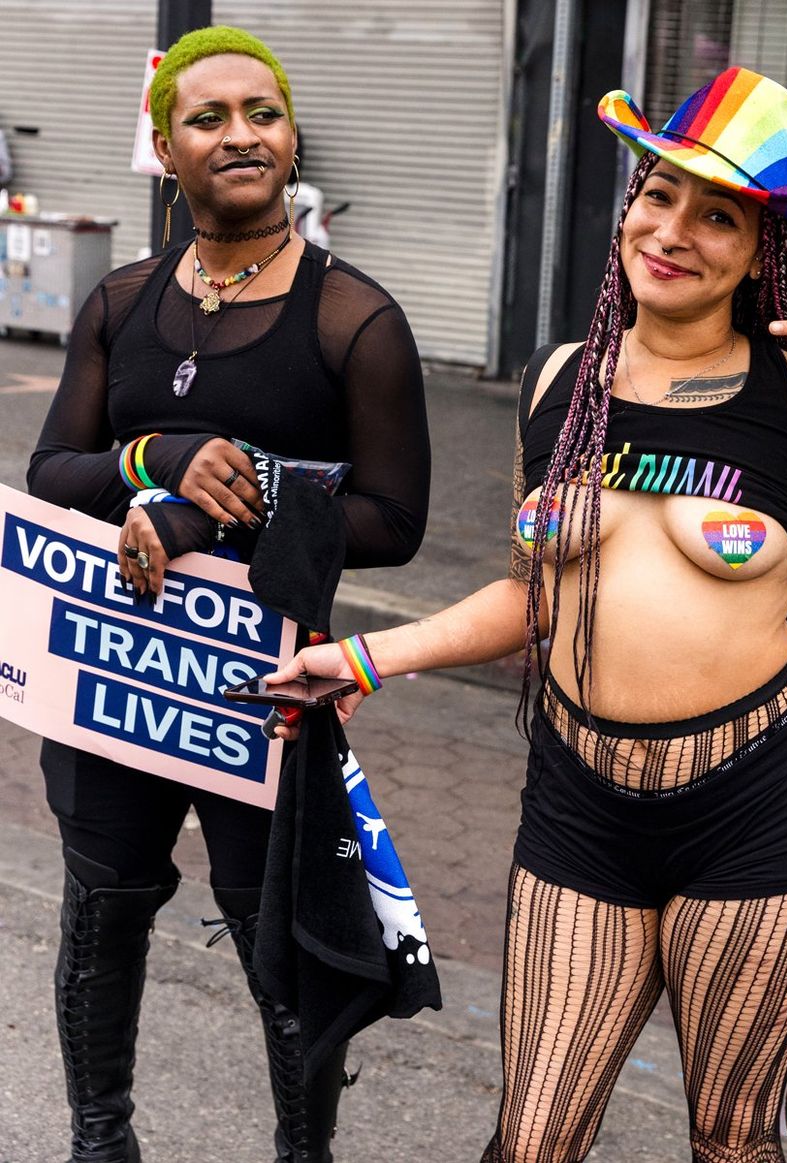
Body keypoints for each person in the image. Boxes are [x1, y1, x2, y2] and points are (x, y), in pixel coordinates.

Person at [265, 68, 787, 1162]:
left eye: (718, 215)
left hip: (758, 808)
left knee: (729, 1137)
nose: (673, 231)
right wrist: (365, 656)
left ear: (761, 249)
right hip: (581, 806)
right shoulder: (559, 378)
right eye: (658, 194)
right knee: (534, 1136)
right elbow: (535, 591)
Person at [27, 25, 430, 1163]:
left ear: (290, 137)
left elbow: (394, 520)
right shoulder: (120, 301)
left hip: (264, 687)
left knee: (278, 941)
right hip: (116, 669)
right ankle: (99, 1142)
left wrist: (222, 508)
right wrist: (152, 459)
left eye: (262, 113)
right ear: (167, 150)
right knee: (102, 910)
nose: (240, 135)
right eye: (208, 118)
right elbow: (52, 472)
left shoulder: (355, 319)